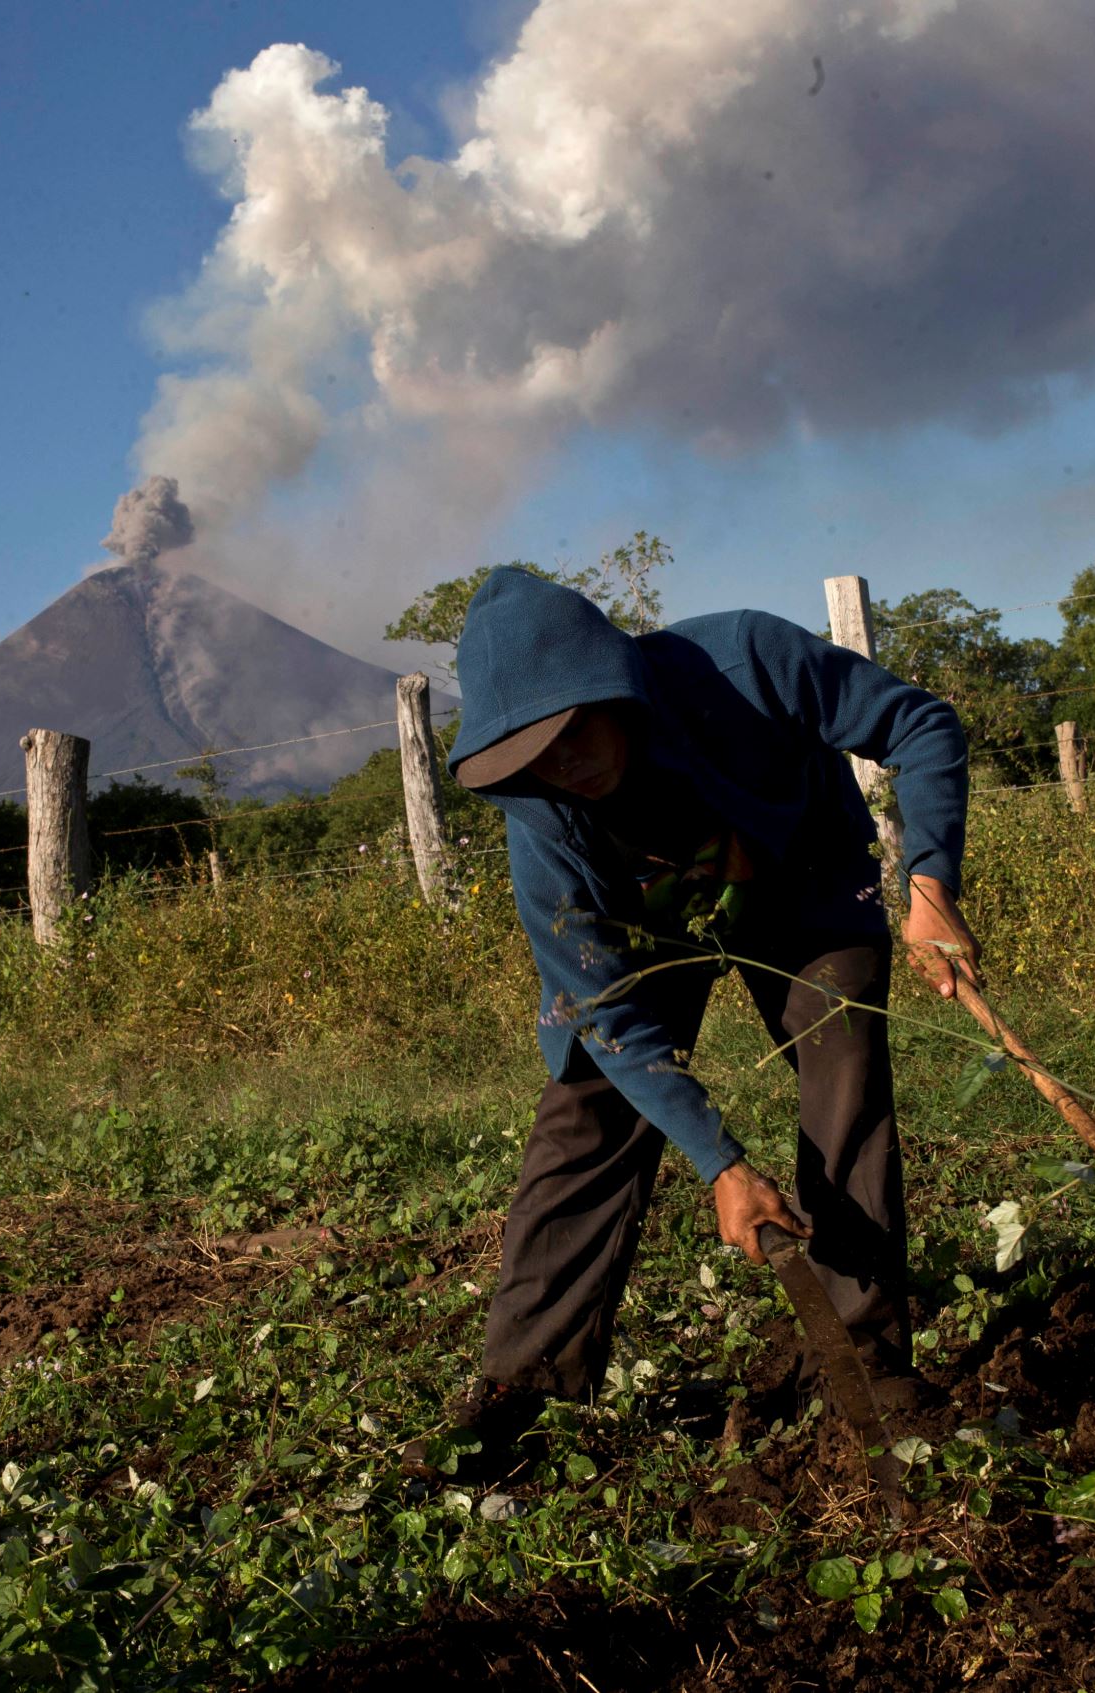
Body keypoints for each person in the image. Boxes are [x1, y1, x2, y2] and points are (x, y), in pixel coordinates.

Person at [409, 566, 978, 1474]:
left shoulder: (743, 661)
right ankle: (525, 1391)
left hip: (803, 886)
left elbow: (920, 724)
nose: (566, 769)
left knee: (845, 1089)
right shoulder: (545, 824)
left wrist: (930, 883)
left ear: (610, 680)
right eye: (535, 758)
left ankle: (866, 1368)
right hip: (650, 931)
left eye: (570, 735)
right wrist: (720, 1160)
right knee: (586, 1113)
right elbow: (610, 1019)